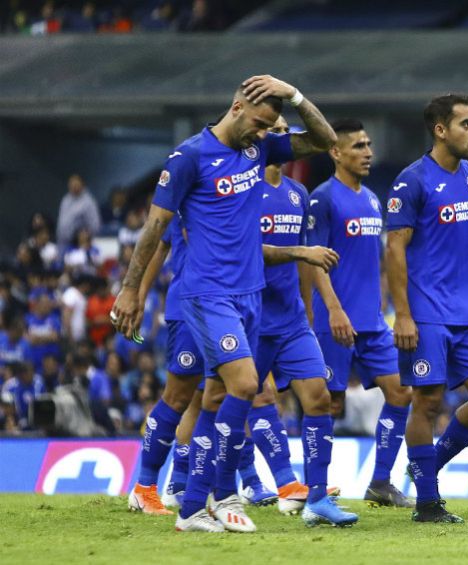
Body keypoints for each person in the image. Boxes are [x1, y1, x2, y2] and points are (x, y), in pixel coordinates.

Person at [111, 75, 337, 533]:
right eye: (259, 122)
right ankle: (205, 495)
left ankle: (196, 504)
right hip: (206, 293)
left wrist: (294, 95)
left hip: (250, 295)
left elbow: (324, 140)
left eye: (271, 126)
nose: (264, 133)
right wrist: (132, 290)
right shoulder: (189, 157)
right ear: (236, 108)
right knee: (243, 386)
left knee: (215, 394)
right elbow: (154, 230)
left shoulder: (259, 149)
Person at [385, 94, 468, 523]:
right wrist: (402, 314)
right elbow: (395, 251)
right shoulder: (412, 181)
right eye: (466, 124)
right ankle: (427, 504)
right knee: (427, 402)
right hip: (427, 313)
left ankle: (429, 465)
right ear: (441, 130)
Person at [247, 115, 357, 527]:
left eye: (284, 130)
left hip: (292, 320)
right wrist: (300, 254)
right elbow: (246, 251)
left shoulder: (298, 194)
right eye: (273, 130)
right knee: (233, 401)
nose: (281, 136)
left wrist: (312, 314)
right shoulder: (245, 190)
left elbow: (309, 264)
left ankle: (315, 499)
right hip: (251, 317)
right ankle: (215, 489)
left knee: (319, 399)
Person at [307, 118, 414, 508]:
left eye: (369, 145)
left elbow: (379, 262)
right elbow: (314, 262)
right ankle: (316, 490)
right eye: (358, 146)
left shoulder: (372, 198)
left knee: (401, 391)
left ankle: (380, 482)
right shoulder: (322, 198)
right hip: (335, 320)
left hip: (372, 322)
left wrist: (386, 306)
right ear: (336, 152)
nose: (368, 152)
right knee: (328, 405)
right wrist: (333, 309)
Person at [56, 173, 101, 246]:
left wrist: (85, 239)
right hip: (62, 241)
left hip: (78, 243)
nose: (73, 186)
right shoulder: (66, 199)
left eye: (76, 183)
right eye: (71, 183)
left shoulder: (88, 202)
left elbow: (95, 226)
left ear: (83, 185)